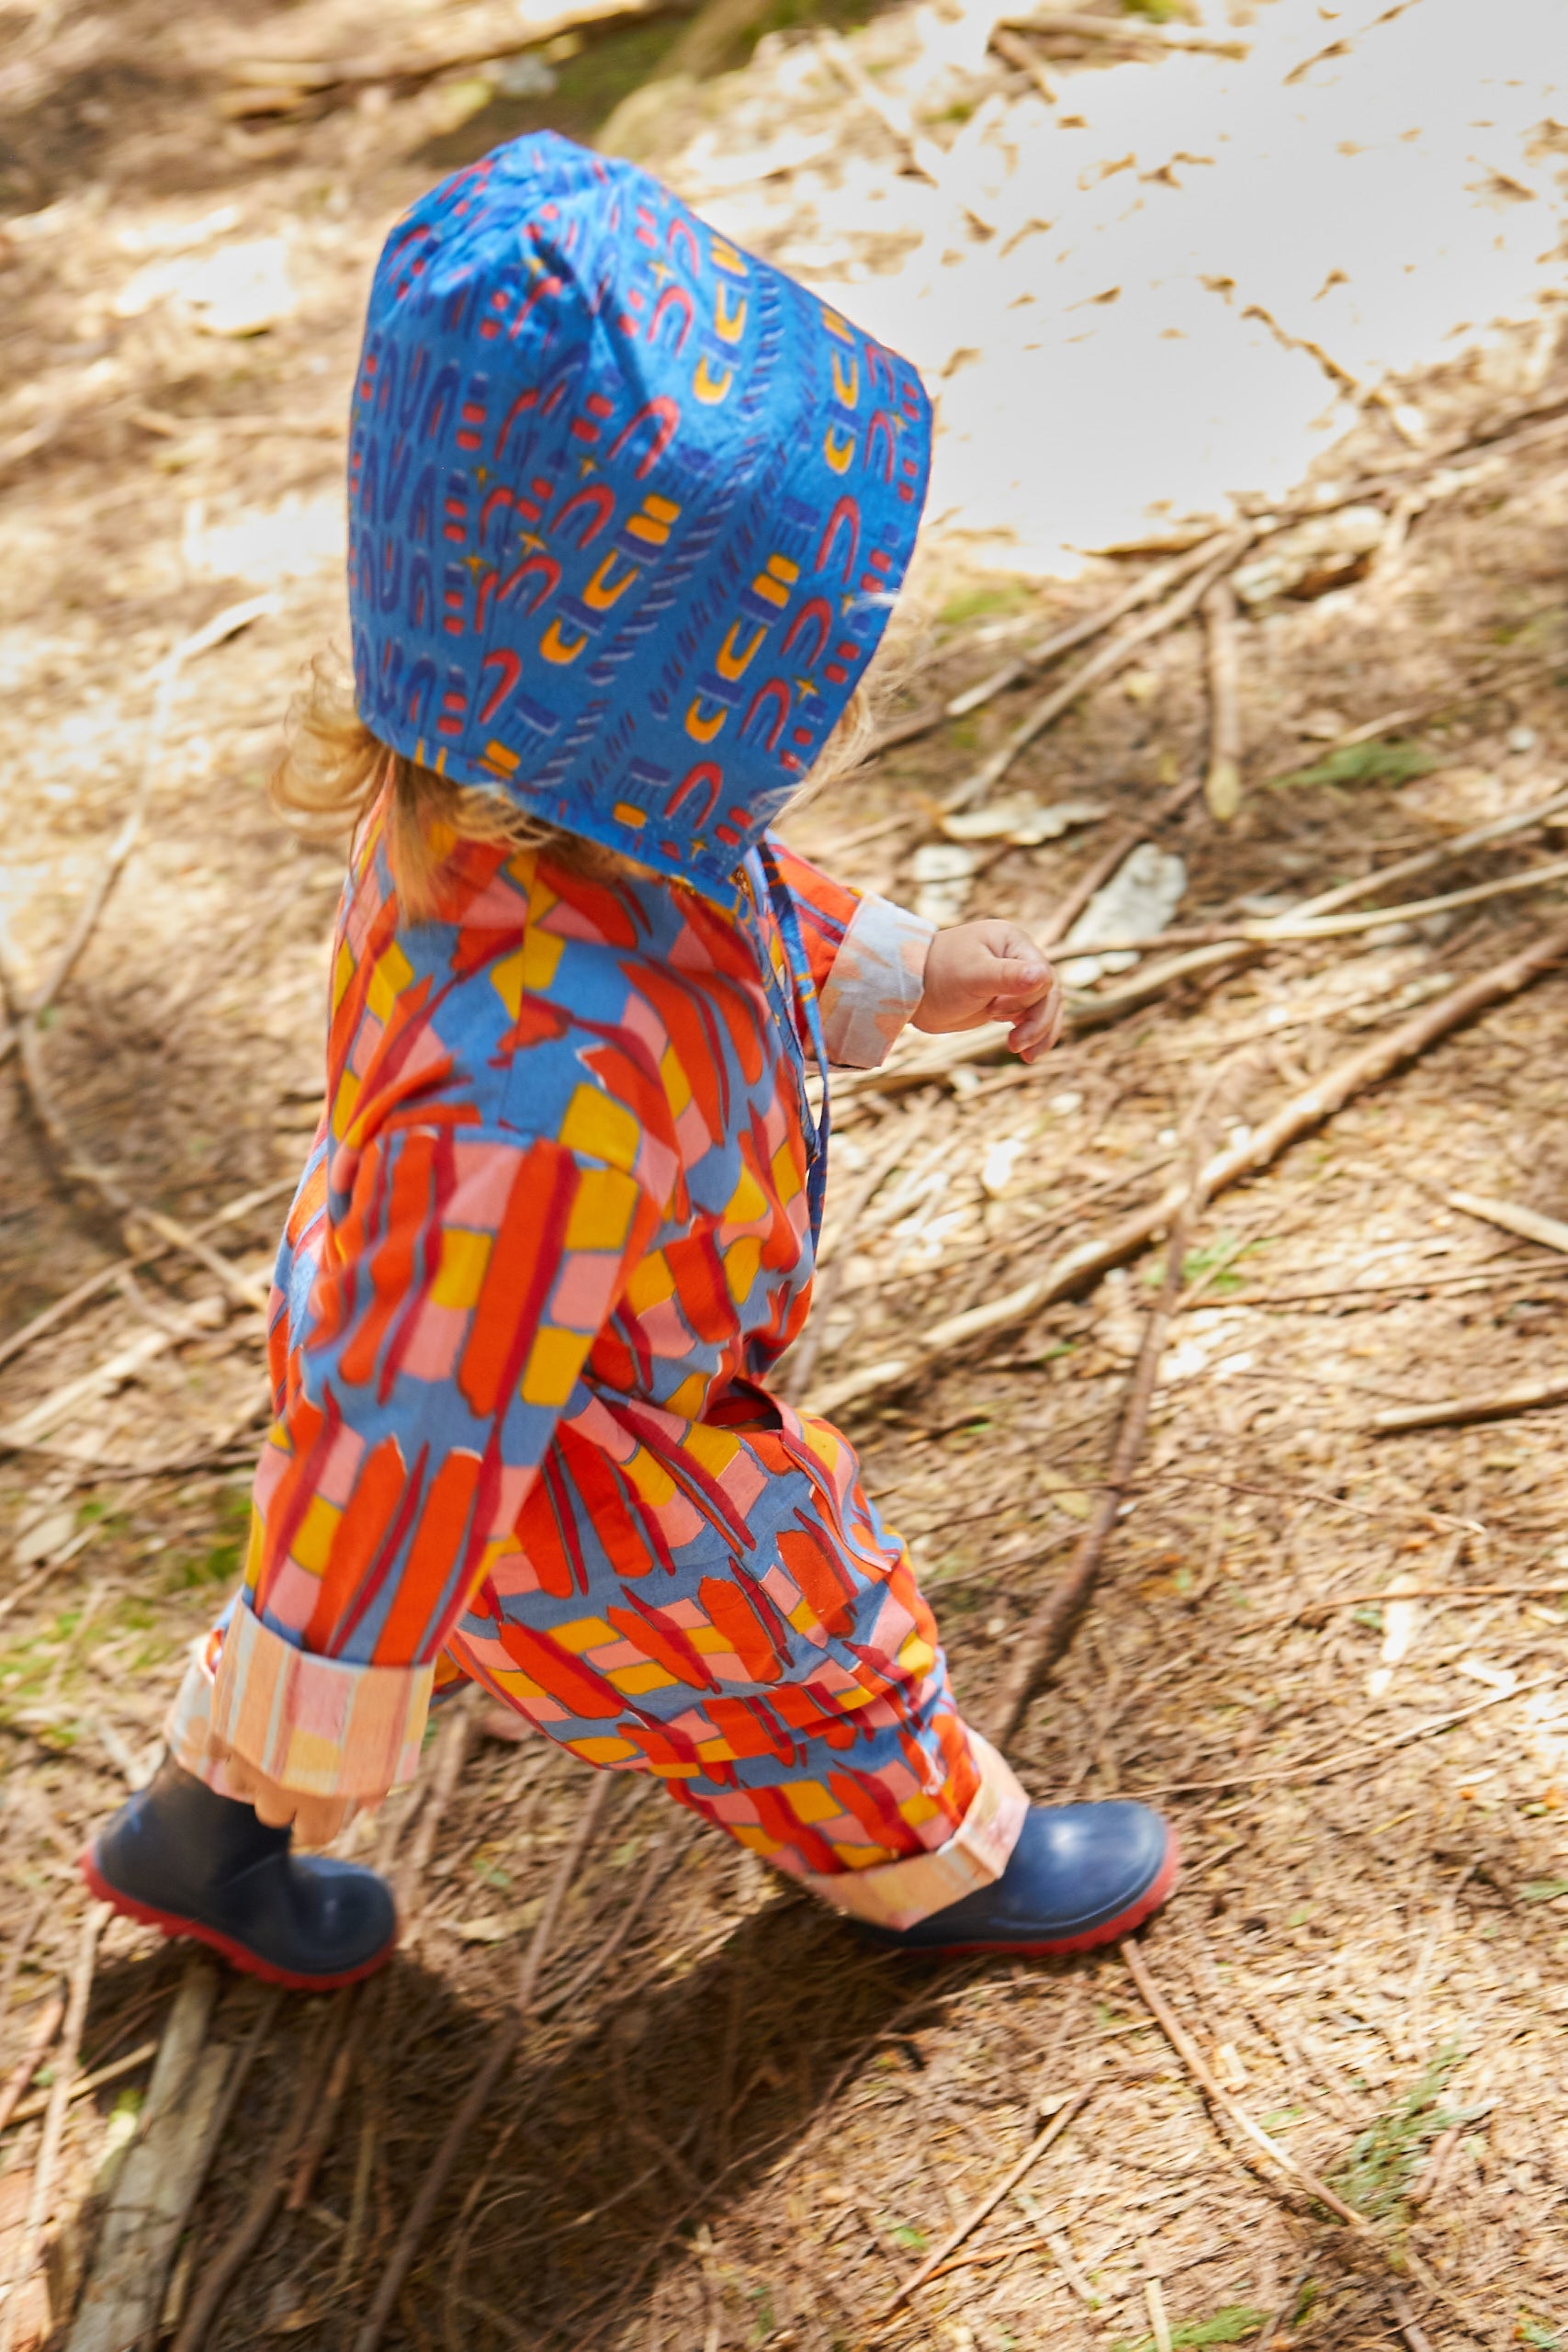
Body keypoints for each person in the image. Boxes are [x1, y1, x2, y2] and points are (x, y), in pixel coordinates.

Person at [83, 132, 1178, 1989]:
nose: (803, 719)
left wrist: (903, 961)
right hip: (579, 1450)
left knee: (360, 1589)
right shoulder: (526, 1110)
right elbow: (411, 1432)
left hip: (479, 1343)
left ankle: (210, 1819)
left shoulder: (524, 814)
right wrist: (352, 1630)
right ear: (664, 705)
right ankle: (935, 1856)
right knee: (791, 1628)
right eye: (774, 676)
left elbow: (733, 912)